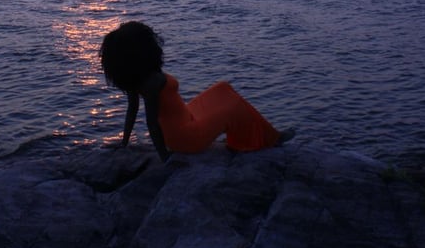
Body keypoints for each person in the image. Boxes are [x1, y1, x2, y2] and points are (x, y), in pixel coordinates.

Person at [100, 21, 295, 161]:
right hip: (186, 137)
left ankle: (244, 140)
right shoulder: (152, 81)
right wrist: (165, 158)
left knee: (222, 89)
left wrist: (124, 142)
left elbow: (132, 110)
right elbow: (152, 124)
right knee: (233, 108)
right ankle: (271, 139)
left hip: (186, 118)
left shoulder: (139, 77)